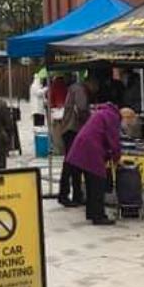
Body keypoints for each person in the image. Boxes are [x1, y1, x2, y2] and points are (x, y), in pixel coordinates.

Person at [65, 95, 122, 226]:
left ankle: (91, 212)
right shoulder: (112, 117)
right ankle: (98, 216)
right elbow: (113, 140)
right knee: (98, 182)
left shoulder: (102, 113)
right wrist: (117, 158)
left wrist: (110, 155)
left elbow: (104, 137)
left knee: (91, 182)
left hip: (82, 146)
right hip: (91, 149)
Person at [58, 74, 90, 207]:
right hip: (72, 130)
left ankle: (77, 194)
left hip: (70, 129)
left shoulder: (75, 88)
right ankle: (64, 195)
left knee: (75, 163)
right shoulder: (80, 90)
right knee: (70, 163)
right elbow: (82, 109)